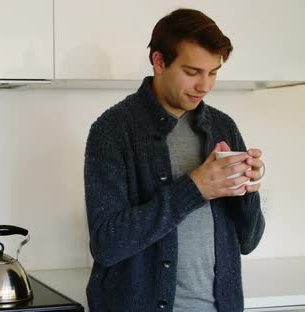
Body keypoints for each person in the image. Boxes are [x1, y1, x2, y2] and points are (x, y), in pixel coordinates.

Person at [83, 8, 265, 312]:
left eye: (213, 72)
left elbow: (248, 241)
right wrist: (193, 188)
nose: (204, 86)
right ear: (159, 61)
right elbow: (107, 244)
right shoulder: (112, 130)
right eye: (192, 72)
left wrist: (249, 188)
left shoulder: (223, 127)